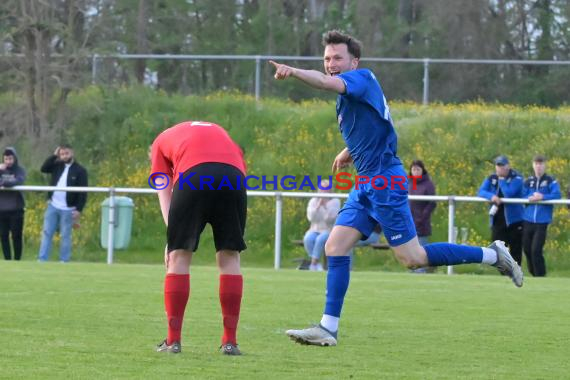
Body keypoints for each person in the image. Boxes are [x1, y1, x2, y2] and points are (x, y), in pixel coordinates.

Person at [269, 30, 523, 347]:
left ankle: (493, 254)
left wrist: (293, 71)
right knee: (334, 247)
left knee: (413, 257)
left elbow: (323, 82)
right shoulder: (351, 95)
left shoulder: (359, 79)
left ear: (354, 61)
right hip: (367, 182)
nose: (331, 64)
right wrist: (350, 150)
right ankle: (328, 328)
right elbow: (379, 123)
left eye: (337, 58)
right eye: (327, 59)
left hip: (385, 181)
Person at [150, 120, 246, 355]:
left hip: (194, 175)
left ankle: (173, 341)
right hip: (232, 177)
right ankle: (230, 342)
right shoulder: (219, 131)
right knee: (229, 257)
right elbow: (238, 163)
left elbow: (163, 187)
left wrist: (172, 239)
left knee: (179, 257)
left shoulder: (160, 142)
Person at [38, 145, 88, 262]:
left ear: (72, 153)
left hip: (68, 209)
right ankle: (42, 259)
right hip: (53, 205)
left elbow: (83, 193)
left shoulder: (80, 170)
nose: (64, 156)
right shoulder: (56, 165)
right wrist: (54, 155)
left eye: (67, 153)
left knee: (65, 236)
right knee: (47, 233)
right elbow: (44, 168)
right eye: (62, 154)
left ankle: (64, 261)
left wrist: (78, 210)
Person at [477, 155, 524, 265]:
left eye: (502, 165)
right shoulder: (492, 178)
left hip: (514, 221)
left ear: (508, 166)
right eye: (497, 165)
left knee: (516, 250)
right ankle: (504, 274)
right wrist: (491, 196)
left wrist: (502, 180)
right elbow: (481, 191)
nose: (499, 168)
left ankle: (516, 273)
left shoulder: (517, 178)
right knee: (498, 249)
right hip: (498, 219)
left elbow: (509, 193)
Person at [522, 155, 561, 277]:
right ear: (533, 165)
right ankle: (534, 274)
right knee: (527, 250)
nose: (538, 166)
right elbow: (521, 196)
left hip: (542, 222)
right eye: (536, 164)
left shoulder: (550, 181)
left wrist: (543, 197)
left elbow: (557, 195)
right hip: (527, 220)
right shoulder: (528, 181)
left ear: (545, 165)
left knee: (536, 250)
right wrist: (530, 198)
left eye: (541, 164)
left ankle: (540, 276)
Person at [303, 179, 340, 271]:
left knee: (320, 239)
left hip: (329, 230)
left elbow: (331, 220)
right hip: (314, 229)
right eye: (322, 189)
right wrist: (317, 207)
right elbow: (311, 218)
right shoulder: (313, 201)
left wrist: (325, 207)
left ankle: (313, 264)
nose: (324, 191)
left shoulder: (335, 201)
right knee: (308, 238)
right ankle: (317, 264)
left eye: (326, 189)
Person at [408, 160, 436, 273]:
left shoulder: (428, 184)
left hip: (421, 223)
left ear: (422, 170)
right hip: (409, 222)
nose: (415, 171)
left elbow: (432, 203)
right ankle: (412, 272)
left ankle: (421, 272)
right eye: (413, 169)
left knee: (421, 250)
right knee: (409, 251)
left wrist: (422, 218)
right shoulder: (408, 183)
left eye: (418, 169)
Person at [0, 147, 26, 260]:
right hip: (2, 210)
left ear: (14, 158)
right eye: (6, 159)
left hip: (16, 210)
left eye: (10, 159)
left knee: (16, 236)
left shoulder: (20, 170)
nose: (8, 161)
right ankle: (7, 260)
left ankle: (17, 260)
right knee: (3, 236)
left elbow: (18, 181)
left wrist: (4, 183)